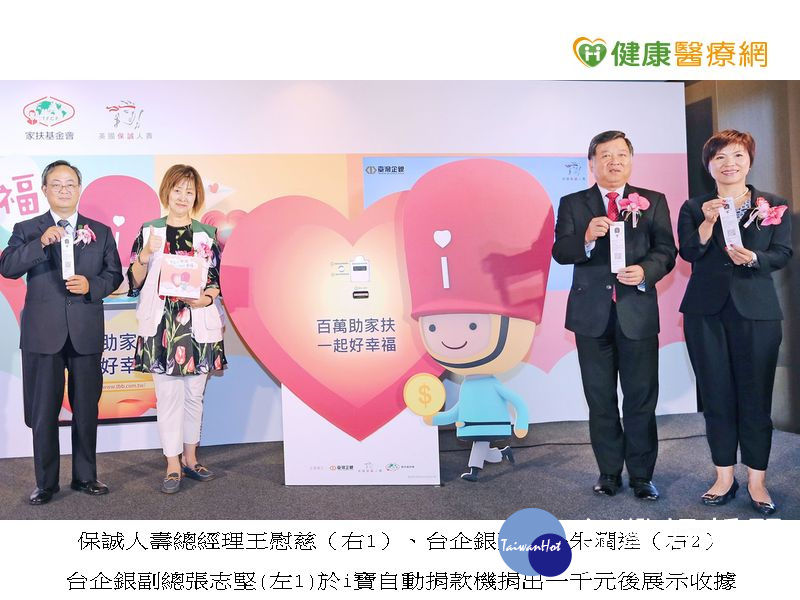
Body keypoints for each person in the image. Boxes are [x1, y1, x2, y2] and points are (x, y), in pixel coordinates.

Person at [552, 131, 676, 500]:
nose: (614, 161)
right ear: (592, 164)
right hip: (591, 317)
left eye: (621, 154)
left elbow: (666, 250)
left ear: (631, 160)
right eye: (605, 155)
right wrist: (586, 237)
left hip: (637, 313)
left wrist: (646, 271)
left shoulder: (653, 201)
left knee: (640, 398)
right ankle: (608, 473)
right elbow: (561, 251)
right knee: (600, 399)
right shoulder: (573, 203)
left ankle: (641, 476)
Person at [678, 130, 792, 516]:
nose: (730, 163)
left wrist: (756, 259)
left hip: (757, 313)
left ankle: (757, 480)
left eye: (738, 155)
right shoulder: (694, 206)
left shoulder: (773, 204)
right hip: (705, 313)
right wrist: (707, 223)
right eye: (720, 157)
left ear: (749, 161)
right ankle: (723, 477)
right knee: (716, 396)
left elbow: (783, 252)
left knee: (756, 398)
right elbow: (689, 252)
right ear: (708, 165)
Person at [0, 160, 123, 505]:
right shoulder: (27, 228)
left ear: (79, 189)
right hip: (42, 334)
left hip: (85, 331)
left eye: (70, 184)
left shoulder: (100, 231)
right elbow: (7, 267)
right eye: (56, 184)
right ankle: (46, 483)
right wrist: (40, 243)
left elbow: (114, 274)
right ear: (45, 190)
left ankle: (86, 476)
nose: (64, 190)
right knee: (43, 412)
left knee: (86, 409)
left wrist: (91, 285)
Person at [127, 164, 226, 494]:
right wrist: (144, 254)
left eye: (189, 191)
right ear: (166, 192)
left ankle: (190, 457)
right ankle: (171, 462)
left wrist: (206, 298)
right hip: (162, 327)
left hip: (198, 324)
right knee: (168, 397)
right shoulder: (149, 231)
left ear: (197, 197)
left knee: (195, 395)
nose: (183, 197)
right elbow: (133, 282)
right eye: (177, 189)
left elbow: (216, 279)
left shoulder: (207, 234)